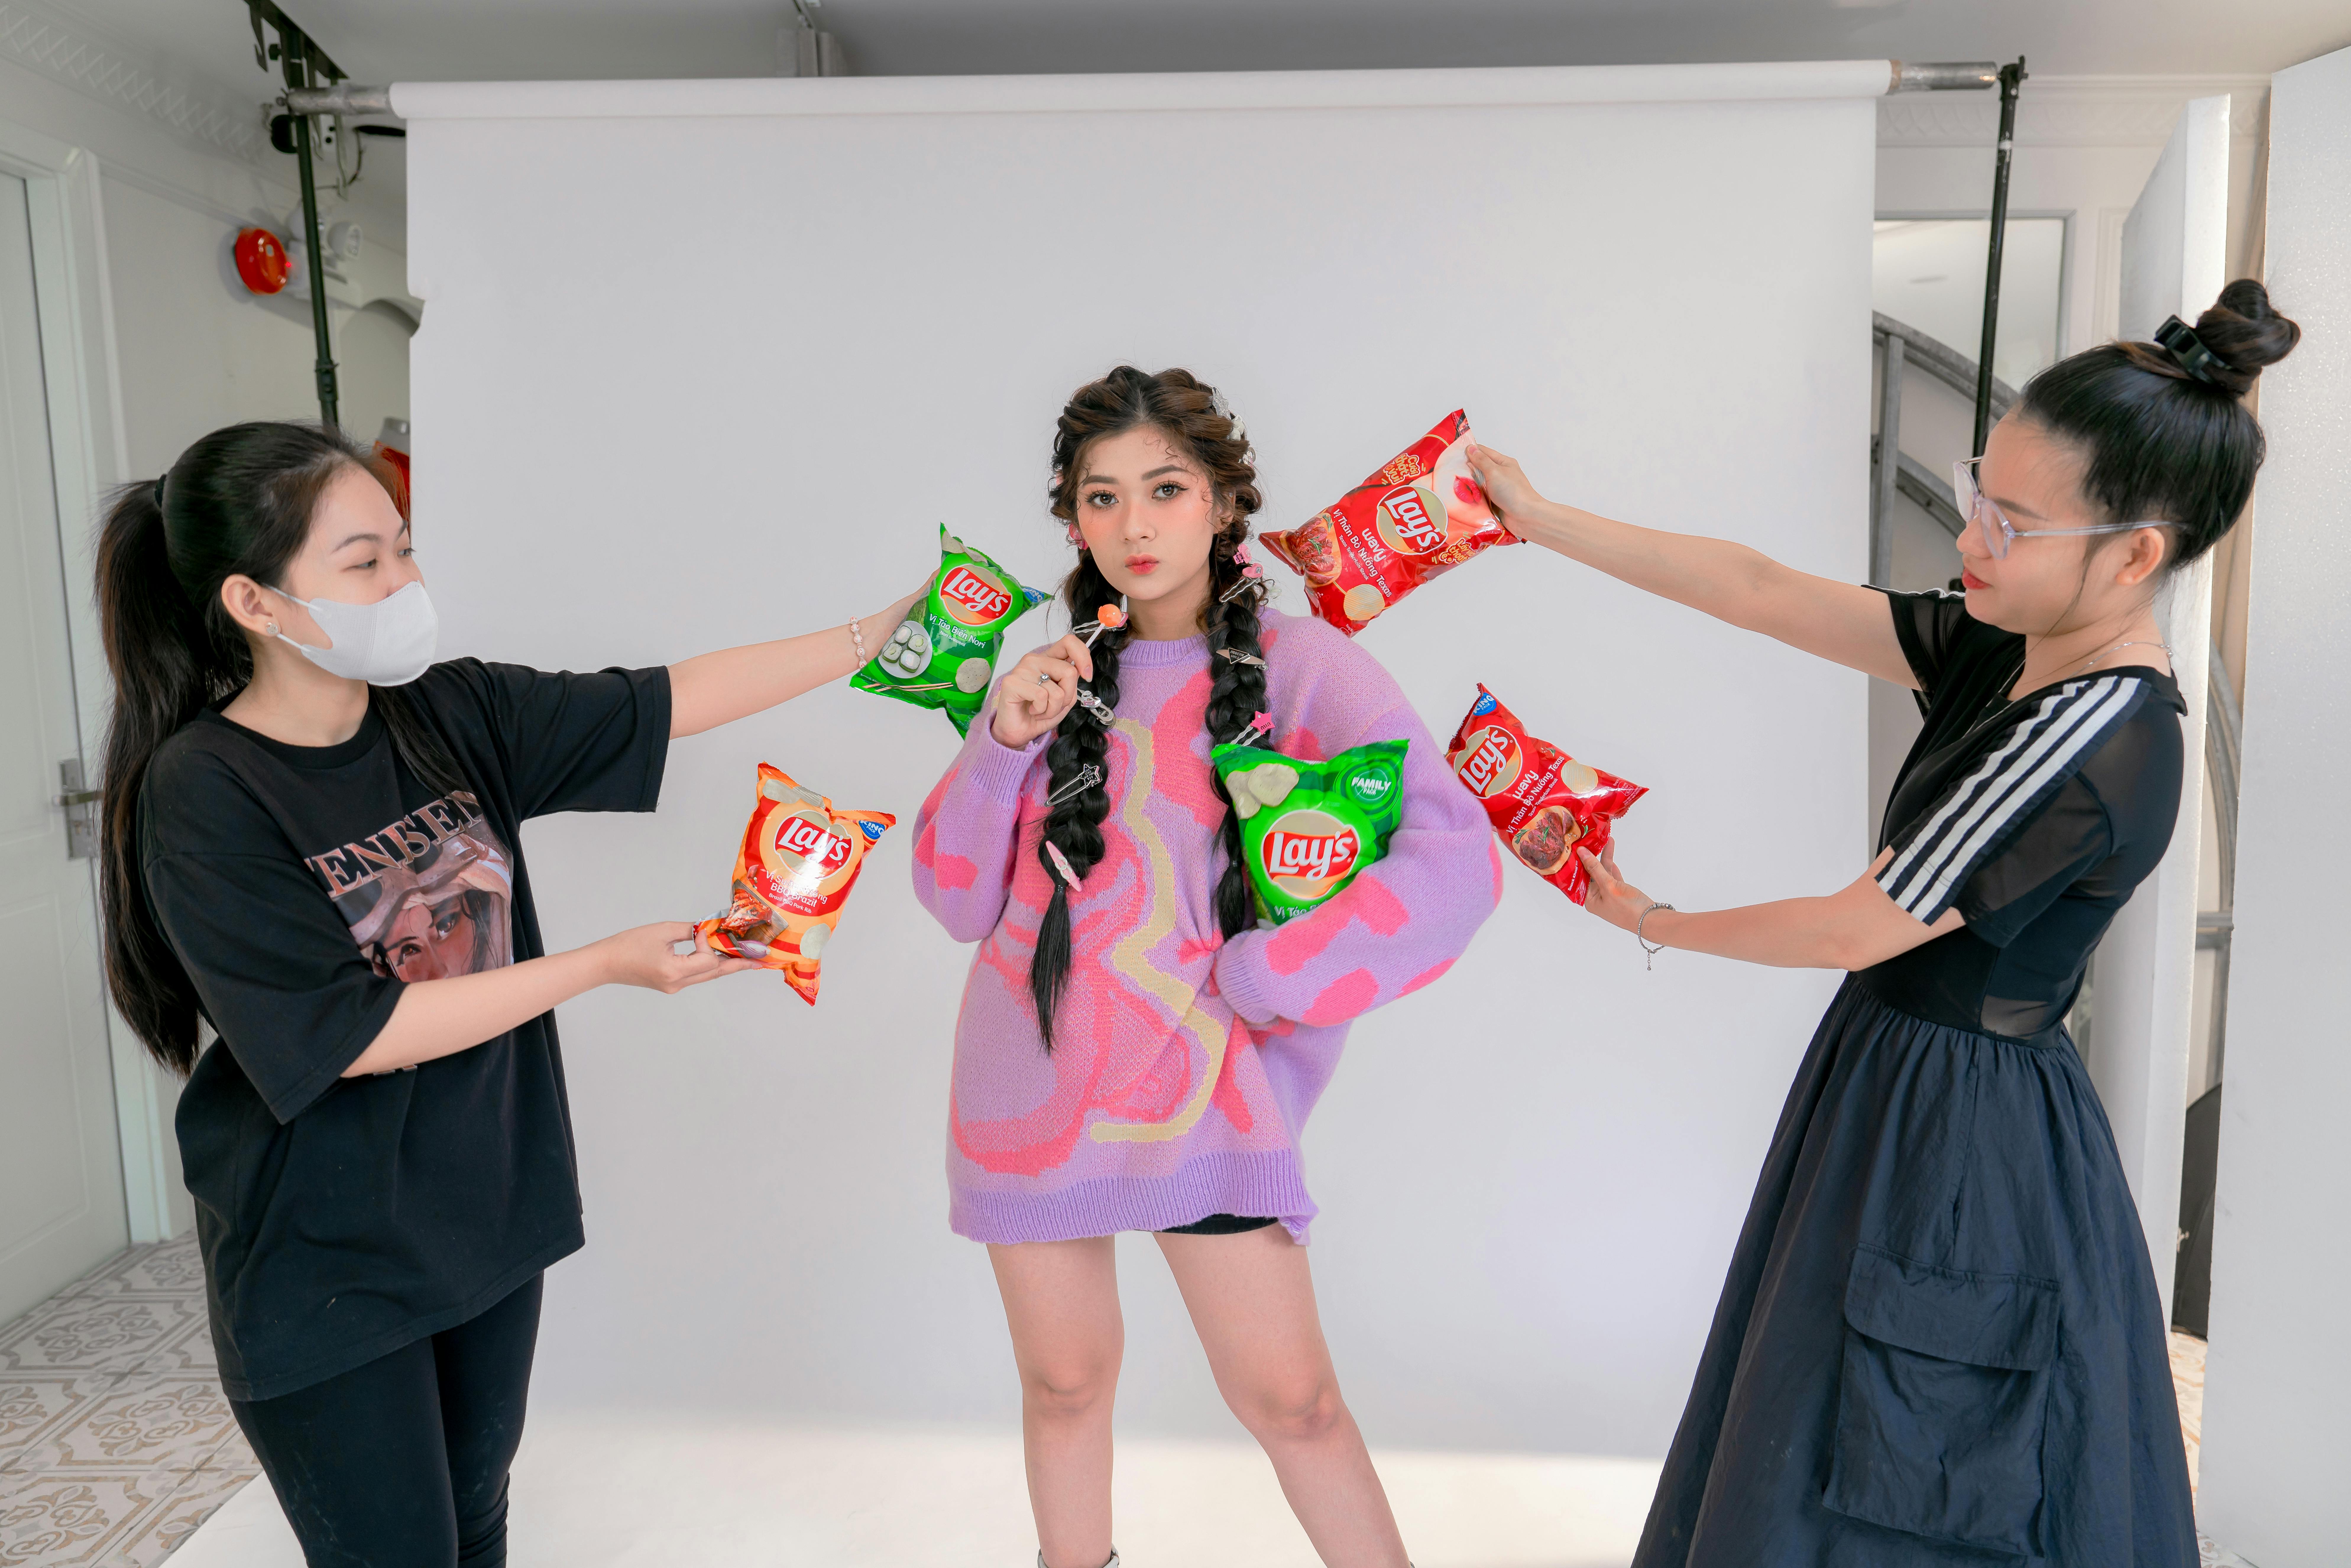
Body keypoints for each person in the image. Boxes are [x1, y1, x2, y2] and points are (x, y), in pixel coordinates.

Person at [1467, 279, 2300, 1567]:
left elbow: (1853, 930)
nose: (1971, 538)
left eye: (2011, 523)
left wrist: (1645, 914)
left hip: (1962, 1138)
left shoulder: (2092, 736)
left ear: (2134, 555)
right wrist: (1536, 519)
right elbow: (1757, 588)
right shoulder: (2009, 643)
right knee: (1821, 1424)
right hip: (1896, 1083)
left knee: (1902, 1470)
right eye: (1979, 494)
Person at [93, 421, 920, 1568]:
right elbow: (356, 1036)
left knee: (477, 1530)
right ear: (255, 603)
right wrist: (604, 963)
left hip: (485, 1213)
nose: (406, 582)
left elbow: (670, 697)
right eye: (364, 562)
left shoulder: (447, 712)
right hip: (327, 1260)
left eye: (405, 547)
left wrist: (888, 629)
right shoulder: (207, 790)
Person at [911, 367, 1498, 1568]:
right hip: (1031, 1092)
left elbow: (1457, 863)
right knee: (1064, 1388)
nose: (1134, 524)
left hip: (1208, 1098)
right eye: (1102, 497)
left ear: (1224, 503)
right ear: (1072, 518)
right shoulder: (1047, 676)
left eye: (1166, 490)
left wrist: (1277, 974)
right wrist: (1001, 741)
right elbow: (955, 899)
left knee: (1296, 1405)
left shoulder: (1306, 666)